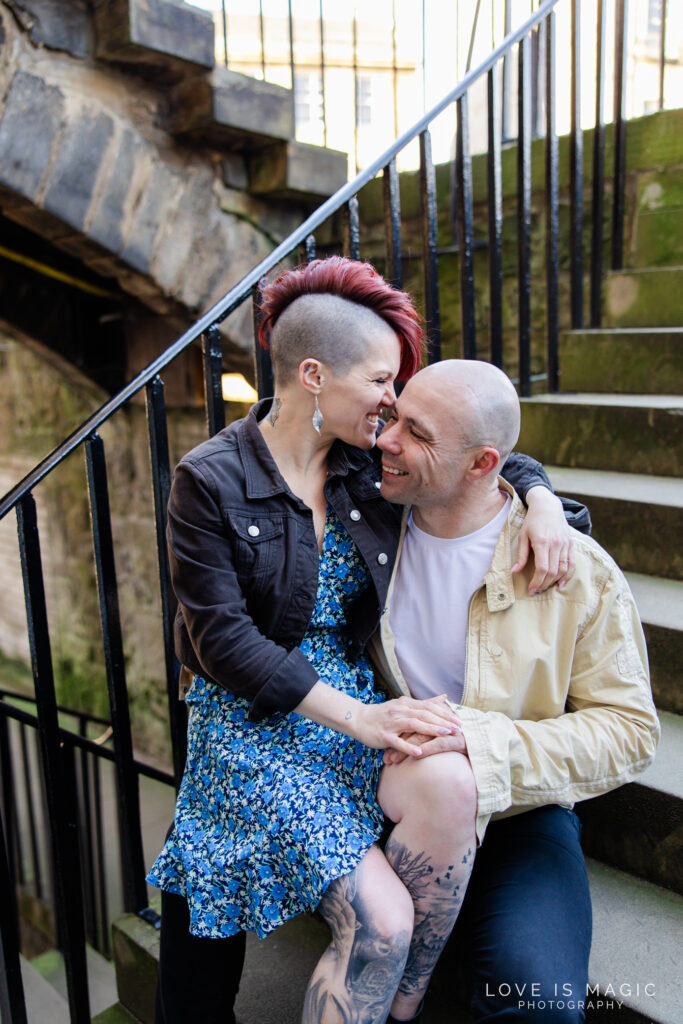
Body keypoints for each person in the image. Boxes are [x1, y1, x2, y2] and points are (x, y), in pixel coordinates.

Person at [148, 257, 578, 1024]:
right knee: (371, 920)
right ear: (313, 374)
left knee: (444, 781)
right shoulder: (207, 480)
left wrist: (540, 498)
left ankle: (399, 1000)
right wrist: (361, 719)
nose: (393, 401)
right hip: (256, 718)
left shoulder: (363, 463)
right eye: (382, 381)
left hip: (356, 702)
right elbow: (220, 642)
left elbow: (477, 449)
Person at [370, 358, 660, 1021]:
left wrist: (477, 745)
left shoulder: (572, 568)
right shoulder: (363, 526)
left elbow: (629, 730)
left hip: (516, 813)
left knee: (540, 1003)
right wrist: (541, 491)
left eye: (413, 432)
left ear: (480, 465)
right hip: (380, 794)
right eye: (392, 416)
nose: (385, 441)